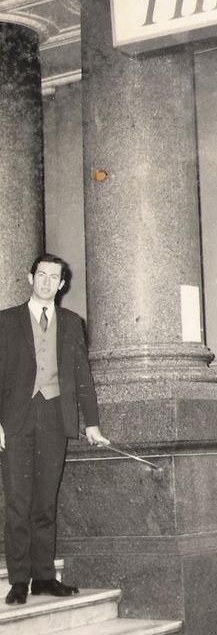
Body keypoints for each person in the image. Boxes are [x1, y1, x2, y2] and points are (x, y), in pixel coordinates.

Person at [0, 254, 109, 605]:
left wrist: (91, 423)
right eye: (41, 275)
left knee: (45, 503)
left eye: (54, 277)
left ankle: (44, 577)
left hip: (54, 419)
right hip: (15, 420)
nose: (47, 282)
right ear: (30, 277)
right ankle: (19, 580)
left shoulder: (73, 322)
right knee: (18, 502)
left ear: (62, 284)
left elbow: (82, 377)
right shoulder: (5, 321)